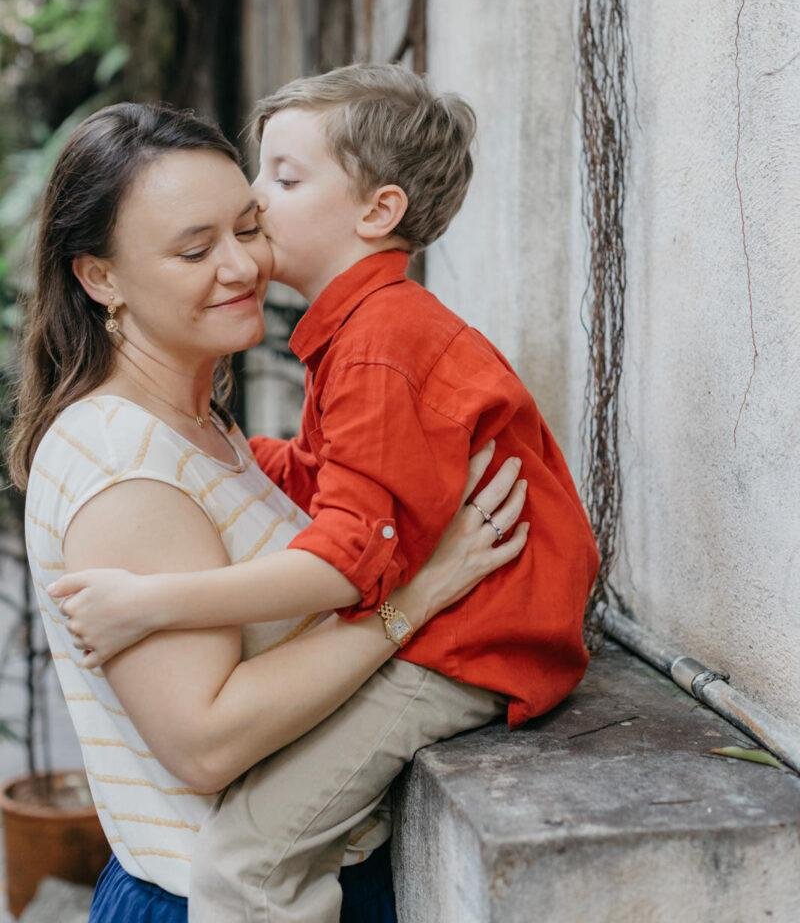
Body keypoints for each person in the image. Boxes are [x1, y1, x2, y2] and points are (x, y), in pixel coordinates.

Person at [50, 66, 600, 923]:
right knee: (246, 864)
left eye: (277, 184)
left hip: (466, 648)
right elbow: (338, 486)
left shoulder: (375, 343)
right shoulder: (139, 453)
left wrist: (154, 599)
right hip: (188, 877)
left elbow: (349, 548)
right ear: (100, 278)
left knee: (248, 865)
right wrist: (239, 465)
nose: (255, 218)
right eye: (196, 249)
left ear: (378, 211)